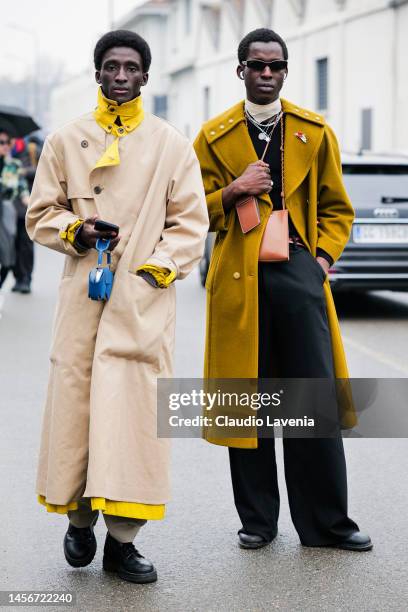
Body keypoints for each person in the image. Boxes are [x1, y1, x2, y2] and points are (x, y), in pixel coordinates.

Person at [26, 29, 208, 583]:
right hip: (84, 296)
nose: (121, 75)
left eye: (131, 66)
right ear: (98, 72)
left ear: (146, 76)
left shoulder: (171, 145)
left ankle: (123, 542)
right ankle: (79, 520)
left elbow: (191, 224)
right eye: (111, 66)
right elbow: (41, 213)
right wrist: (77, 230)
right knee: (78, 413)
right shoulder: (65, 140)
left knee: (134, 422)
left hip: (141, 302)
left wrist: (156, 267)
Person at [194, 28, 372, 552]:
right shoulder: (212, 135)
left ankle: (327, 525)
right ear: (241, 70)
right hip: (236, 280)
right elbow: (187, 209)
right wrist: (233, 190)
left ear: (286, 71)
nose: (266, 73)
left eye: (275, 66)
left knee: (309, 401)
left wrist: (318, 262)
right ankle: (258, 522)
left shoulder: (313, 131)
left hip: (298, 274)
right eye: (256, 65)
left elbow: (338, 209)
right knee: (246, 402)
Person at [0, 128, 30, 302]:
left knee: (7, 256)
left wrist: (35, 205)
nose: (5, 146)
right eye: (1, 142)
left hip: (6, 213)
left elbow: (23, 191)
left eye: (7, 142)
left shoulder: (14, 165)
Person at [11, 135, 41, 294]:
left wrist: (23, 171)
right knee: (12, 244)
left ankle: (26, 279)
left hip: (27, 204)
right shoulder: (7, 152)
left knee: (26, 244)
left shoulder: (32, 150)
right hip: (9, 206)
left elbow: (44, 170)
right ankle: (17, 278)